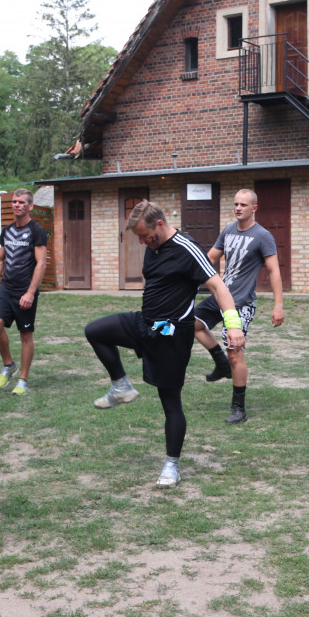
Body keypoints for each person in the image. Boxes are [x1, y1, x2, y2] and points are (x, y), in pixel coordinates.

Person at [85, 200, 245, 488]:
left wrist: (232, 325)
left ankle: (172, 465)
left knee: (170, 402)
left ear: (160, 224)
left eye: (147, 236)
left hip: (171, 330)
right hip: (147, 322)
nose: (144, 242)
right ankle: (120, 385)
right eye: (139, 239)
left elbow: (219, 286)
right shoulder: (153, 246)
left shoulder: (187, 248)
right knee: (95, 331)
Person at [193, 189, 284, 424]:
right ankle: (220, 363)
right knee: (191, 324)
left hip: (242, 302)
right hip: (221, 295)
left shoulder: (263, 236)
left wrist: (278, 305)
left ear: (254, 208)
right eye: (235, 204)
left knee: (235, 354)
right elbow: (210, 256)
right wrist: (190, 273)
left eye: (243, 205)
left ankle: (238, 408)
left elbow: (273, 270)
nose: (238, 208)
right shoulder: (228, 230)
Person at [0, 189, 48, 395]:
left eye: (21, 202)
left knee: (25, 335)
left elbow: (41, 264)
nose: (16, 205)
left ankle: (23, 381)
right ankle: (9, 365)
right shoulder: (7, 230)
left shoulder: (37, 230)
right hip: (6, 288)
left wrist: (30, 293)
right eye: (14, 202)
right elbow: (0, 260)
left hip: (24, 291)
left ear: (30, 206)